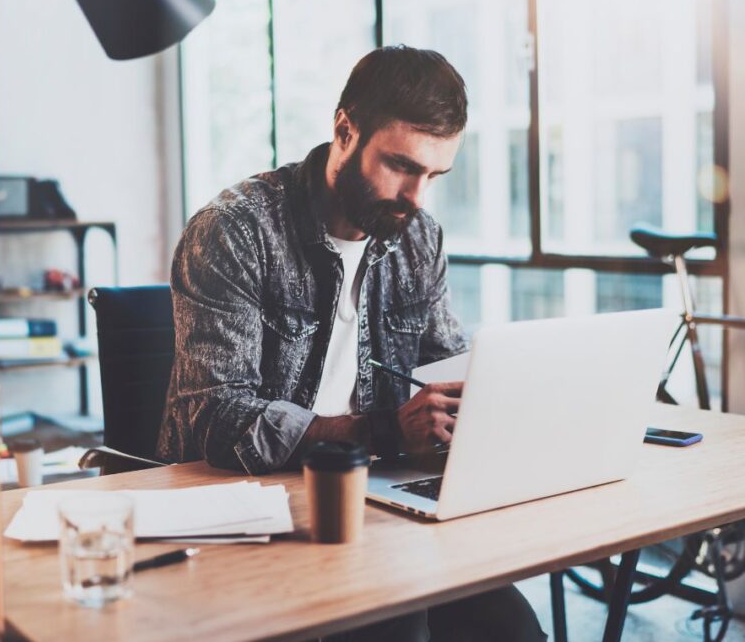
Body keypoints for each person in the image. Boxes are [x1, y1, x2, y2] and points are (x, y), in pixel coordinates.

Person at [157, 45, 545, 641]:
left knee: (511, 629)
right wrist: (386, 429)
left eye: (434, 176)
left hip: (378, 506)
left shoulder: (419, 239)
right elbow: (216, 417)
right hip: (246, 511)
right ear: (345, 130)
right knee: (398, 626)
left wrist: (480, 415)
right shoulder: (235, 231)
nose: (417, 198)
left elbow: (442, 367)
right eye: (401, 166)